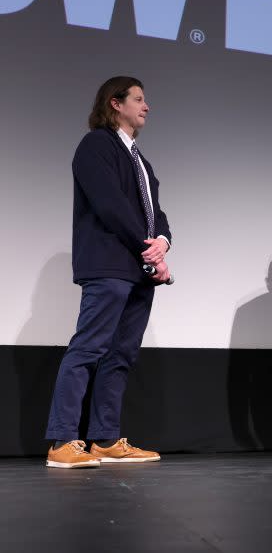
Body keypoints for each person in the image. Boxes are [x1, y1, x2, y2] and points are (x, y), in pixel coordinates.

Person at [45, 76, 172, 468]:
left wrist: (163, 241)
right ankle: (62, 440)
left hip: (139, 268)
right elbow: (111, 205)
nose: (146, 106)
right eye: (138, 99)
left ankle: (104, 438)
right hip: (108, 265)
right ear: (115, 104)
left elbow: (156, 212)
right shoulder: (96, 145)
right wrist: (147, 246)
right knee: (88, 348)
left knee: (121, 355)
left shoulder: (141, 161)